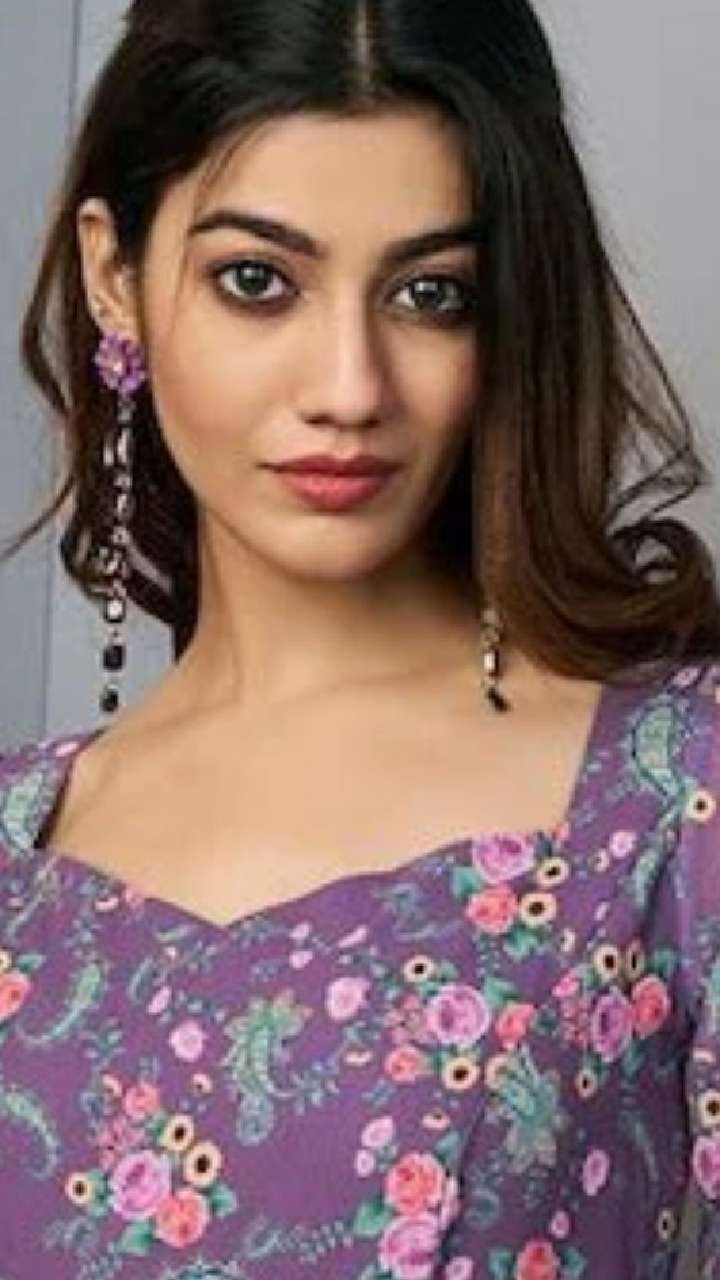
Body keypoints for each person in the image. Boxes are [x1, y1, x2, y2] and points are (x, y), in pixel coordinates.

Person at [0, 0, 719, 1274]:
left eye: (430, 294)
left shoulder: (672, 795)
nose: (349, 387)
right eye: (258, 281)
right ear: (116, 276)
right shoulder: (20, 859)